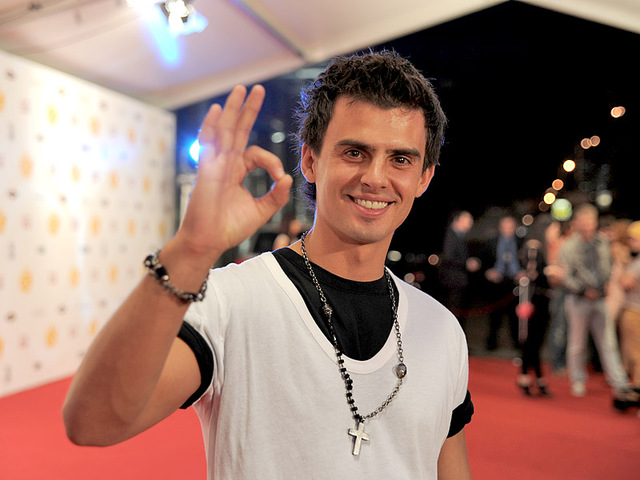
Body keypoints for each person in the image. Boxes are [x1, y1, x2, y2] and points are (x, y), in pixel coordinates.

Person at [63, 51, 474, 479]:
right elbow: (93, 421)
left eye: (400, 159)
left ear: (424, 177)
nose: (375, 177)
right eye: (354, 152)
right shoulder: (230, 302)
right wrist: (189, 251)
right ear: (310, 160)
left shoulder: (441, 330)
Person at [559, 203, 637, 408]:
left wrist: (605, 286)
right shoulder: (568, 246)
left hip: (601, 299)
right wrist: (584, 290)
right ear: (577, 223)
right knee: (577, 343)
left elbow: (609, 267)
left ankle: (619, 382)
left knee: (608, 342)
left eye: (590, 222)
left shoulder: (603, 242)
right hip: (578, 300)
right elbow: (566, 276)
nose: (587, 226)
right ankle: (577, 379)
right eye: (584, 222)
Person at [482, 215, 525, 351]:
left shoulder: (521, 242)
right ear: (500, 228)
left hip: (514, 283)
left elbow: (526, 261)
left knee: (515, 316)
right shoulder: (492, 242)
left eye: (510, 226)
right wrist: (489, 272)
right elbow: (483, 261)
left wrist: (522, 272)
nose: (507, 229)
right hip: (497, 282)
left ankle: (517, 343)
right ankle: (491, 343)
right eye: (505, 226)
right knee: (495, 316)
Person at [515, 239, 551, 396]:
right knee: (527, 342)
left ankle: (536, 376)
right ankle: (526, 375)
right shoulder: (522, 275)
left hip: (541, 310)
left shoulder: (545, 274)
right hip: (525, 311)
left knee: (536, 343)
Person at [438, 210, 479, 328]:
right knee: (453, 311)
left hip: (458, 280)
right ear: (458, 220)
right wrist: (466, 263)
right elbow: (448, 257)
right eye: (468, 220)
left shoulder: (461, 236)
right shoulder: (451, 236)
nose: (471, 223)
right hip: (452, 281)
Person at [619, 221, 640, 392]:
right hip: (633, 308)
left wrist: (622, 268)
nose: (630, 242)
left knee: (635, 352)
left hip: (635, 309)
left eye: (634, 239)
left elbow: (625, 282)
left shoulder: (638, 263)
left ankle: (638, 386)